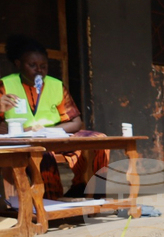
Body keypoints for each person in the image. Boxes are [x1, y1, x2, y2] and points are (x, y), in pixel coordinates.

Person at [0, 35, 108, 199]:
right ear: (18, 64)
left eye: (44, 66)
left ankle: (89, 191)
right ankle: (51, 199)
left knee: (100, 140)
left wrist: (47, 130)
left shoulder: (55, 85)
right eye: (33, 65)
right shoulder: (5, 85)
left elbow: (75, 122)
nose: (39, 70)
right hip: (24, 140)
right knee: (43, 154)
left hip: (54, 136)